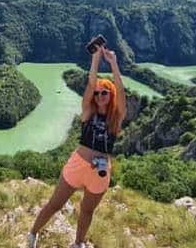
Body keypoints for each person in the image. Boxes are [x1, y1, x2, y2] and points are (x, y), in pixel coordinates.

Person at [26, 43, 126, 248]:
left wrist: (114, 63)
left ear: (111, 94)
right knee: (55, 204)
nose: (99, 96)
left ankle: (78, 243)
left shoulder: (116, 118)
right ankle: (33, 234)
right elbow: (90, 84)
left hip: (100, 170)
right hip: (78, 164)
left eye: (104, 93)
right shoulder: (88, 112)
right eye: (97, 94)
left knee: (87, 210)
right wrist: (96, 59)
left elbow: (122, 93)